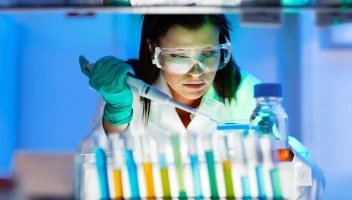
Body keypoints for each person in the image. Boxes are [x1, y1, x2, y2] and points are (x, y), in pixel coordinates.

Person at [79, 14, 325, 199]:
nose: (196, 73)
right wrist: (115, 120)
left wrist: (281, 153)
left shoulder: (248, 95)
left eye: (208, 53)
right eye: (179, 55)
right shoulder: (124, 90)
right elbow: (89, 184)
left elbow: (310, 189)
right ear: (153, 49)